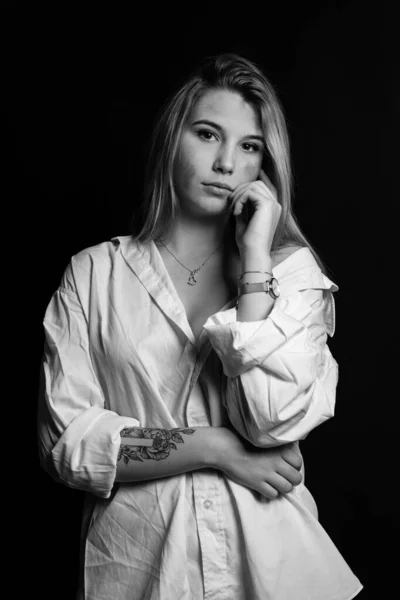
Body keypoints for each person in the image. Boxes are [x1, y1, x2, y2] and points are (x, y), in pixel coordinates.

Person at [38, 53, 363, 599]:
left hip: (278, 574)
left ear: (265, 163)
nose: (226, 163)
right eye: (208, 134)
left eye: (249, 146)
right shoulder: (94, 274)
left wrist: (255, 259)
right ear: (174, 140)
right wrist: (214, 447)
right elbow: (67, 444)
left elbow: (269, 425)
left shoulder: (291, 274)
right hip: (143, 575)